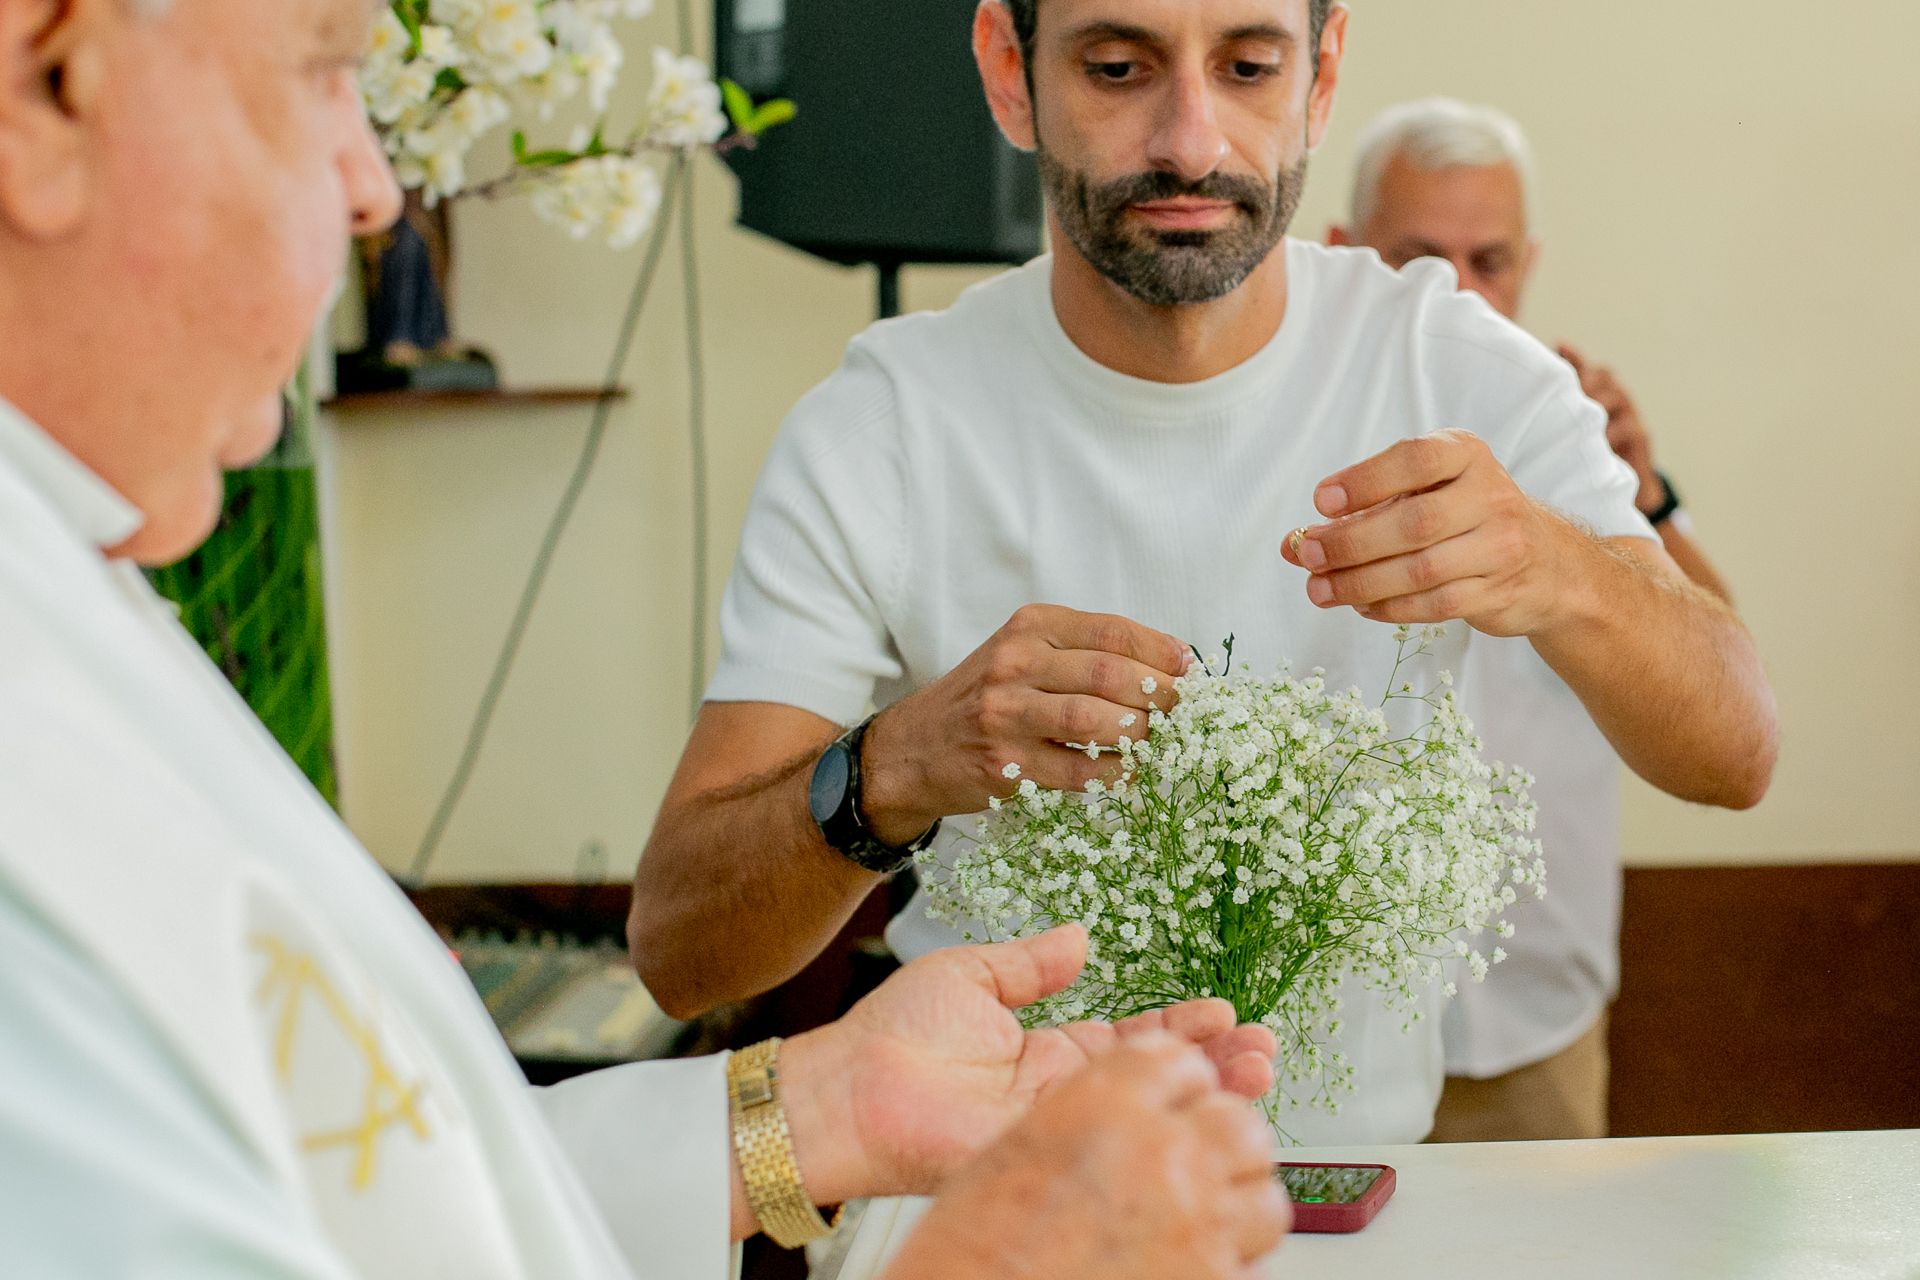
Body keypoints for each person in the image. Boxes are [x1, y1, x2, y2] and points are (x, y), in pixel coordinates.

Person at [0, 0, 1294, 1275]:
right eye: (323, 73)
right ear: (45, 87)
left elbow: (392, 1202)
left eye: (1248, 64)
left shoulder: (72, 594)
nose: (374, 191)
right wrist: (1001, 1261)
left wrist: (820, 1111)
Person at [629, 0, 1779, 1147]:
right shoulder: (879, 426)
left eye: (1247, 65)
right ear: (1007, 73)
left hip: (1360, 1203)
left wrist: (1560, 565)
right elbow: (682, 951)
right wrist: (898, 764)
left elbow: (1737, 750)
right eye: (1119, 67)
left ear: (1321, 78)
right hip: (993, 1203)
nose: (1190, 141)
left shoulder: (1457, 367)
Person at [1329, 97, 1737, 1141]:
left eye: (1490, 260)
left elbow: (1728, 706)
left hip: (1536, 1036)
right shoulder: (1293, 434)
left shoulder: (1575, 437)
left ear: (1530, 265)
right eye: (1420, 257)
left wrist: (1649, 501)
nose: (1458, 293)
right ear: (1341, 251)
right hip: (1319, 1043)